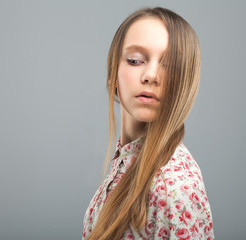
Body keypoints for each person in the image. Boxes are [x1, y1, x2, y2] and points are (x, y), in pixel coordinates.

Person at [82, 7, 215, 240]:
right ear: (112, 73)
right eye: (135, 60)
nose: (151, 75)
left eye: (170, 65)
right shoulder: (125, 162)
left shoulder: (175, 186)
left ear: (184, 83)